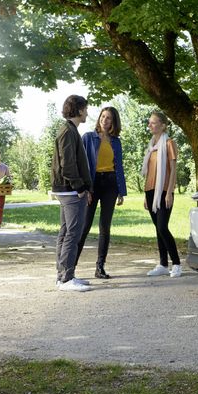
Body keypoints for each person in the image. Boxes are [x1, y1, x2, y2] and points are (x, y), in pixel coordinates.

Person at [51, 94, 94, 293]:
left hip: (67, 190)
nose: (87, 113)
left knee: (66, 232)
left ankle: (63, 276)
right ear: (78, 109)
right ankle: (66, 279)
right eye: (85, 109)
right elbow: (67, 164)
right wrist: (80, 187)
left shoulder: (70, 130)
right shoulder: (68, 131)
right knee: (72, 234)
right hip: (70, 191)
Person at [77, 106, 126, 279]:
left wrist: (121, 191)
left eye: (109, 118)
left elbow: (119, 166)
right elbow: (82, 164)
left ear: (114, 122)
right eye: (103, 116)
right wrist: (85, 188)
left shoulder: (116, 142)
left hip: (110, 184)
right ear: (99, 118)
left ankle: (100, 267)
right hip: (93, 183)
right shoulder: (88, 137)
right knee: (84, 226)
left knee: (105, 227)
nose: (105, 120)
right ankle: (70, 267)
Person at [141, 109, 181, 277]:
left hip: (164, 191)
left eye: (153, 122)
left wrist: (170, 192)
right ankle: (163, 264)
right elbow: (149, 172)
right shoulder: (151, 146)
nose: (149, 125)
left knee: (163, 227)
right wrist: (145, 195)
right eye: (149, 122)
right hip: (150, 191)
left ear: (163, 126)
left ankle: (176, 264)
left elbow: (173, 170)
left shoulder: (169, 143)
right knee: (158, 228)